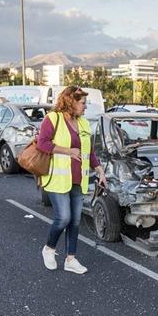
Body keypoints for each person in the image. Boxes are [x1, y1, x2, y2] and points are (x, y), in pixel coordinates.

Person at [36, 85, 105, 274]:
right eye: (82, 103)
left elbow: (88, 151)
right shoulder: (53, 118)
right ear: (70, 102)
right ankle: (49, 249)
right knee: (63, 217)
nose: (85, 107)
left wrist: (99, 170)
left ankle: (70, 260)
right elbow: (43, 143)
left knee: (75, 221)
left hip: (78, 178)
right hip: (57, 179)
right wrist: (67, 151)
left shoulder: (83, 123)